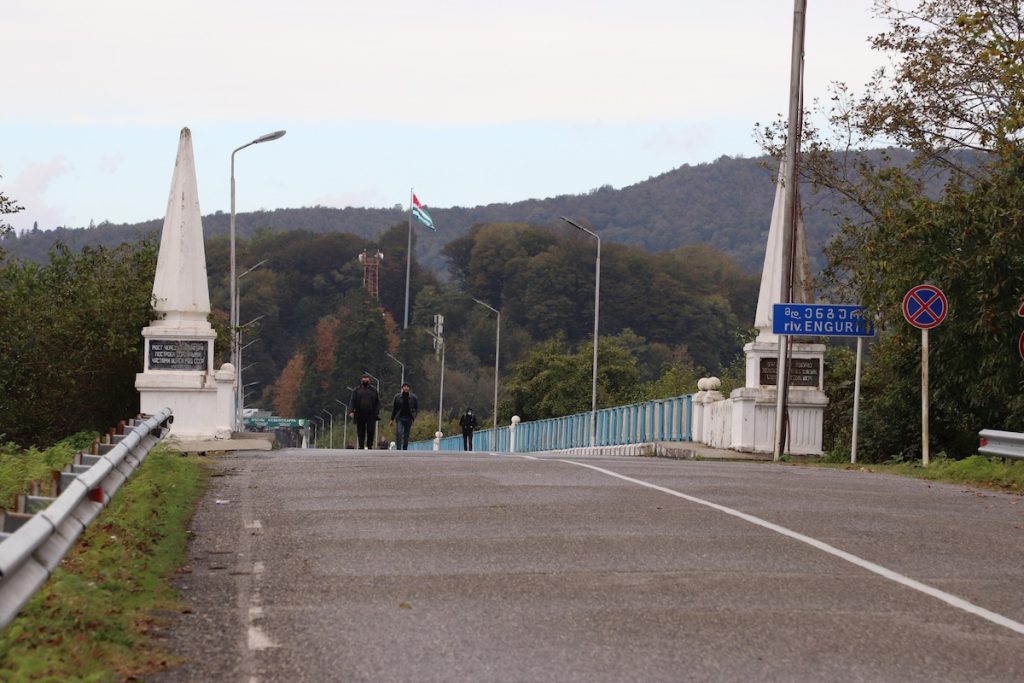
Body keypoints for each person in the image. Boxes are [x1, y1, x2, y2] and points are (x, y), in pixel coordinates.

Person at [348, 374, 380, 450]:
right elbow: (352, 401)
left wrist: (377, 412)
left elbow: (377, 402)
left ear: (369, 380)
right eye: (364, 378)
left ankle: (369, 445)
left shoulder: (374, 390)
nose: (365, 380)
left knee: (371, 430)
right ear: (361, 380)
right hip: (360, 413)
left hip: (371, 414)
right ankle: (361, 446)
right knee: (360, 431)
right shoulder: (356, 390)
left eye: (367, 378)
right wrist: (351, 411)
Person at [389, 383, 418, 451]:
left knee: (406, 434)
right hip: (400, 418)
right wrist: (392, 419)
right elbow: (394, 409)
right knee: (399, 433)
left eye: (407, 387)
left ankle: (405, 448)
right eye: (404, 387)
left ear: (409, 388)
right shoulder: (397, 397)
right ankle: (398, 448)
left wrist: (414, 417)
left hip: (409, 418)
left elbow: (416, 408)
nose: (406, 388)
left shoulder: (413, 397)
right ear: (402, 388)